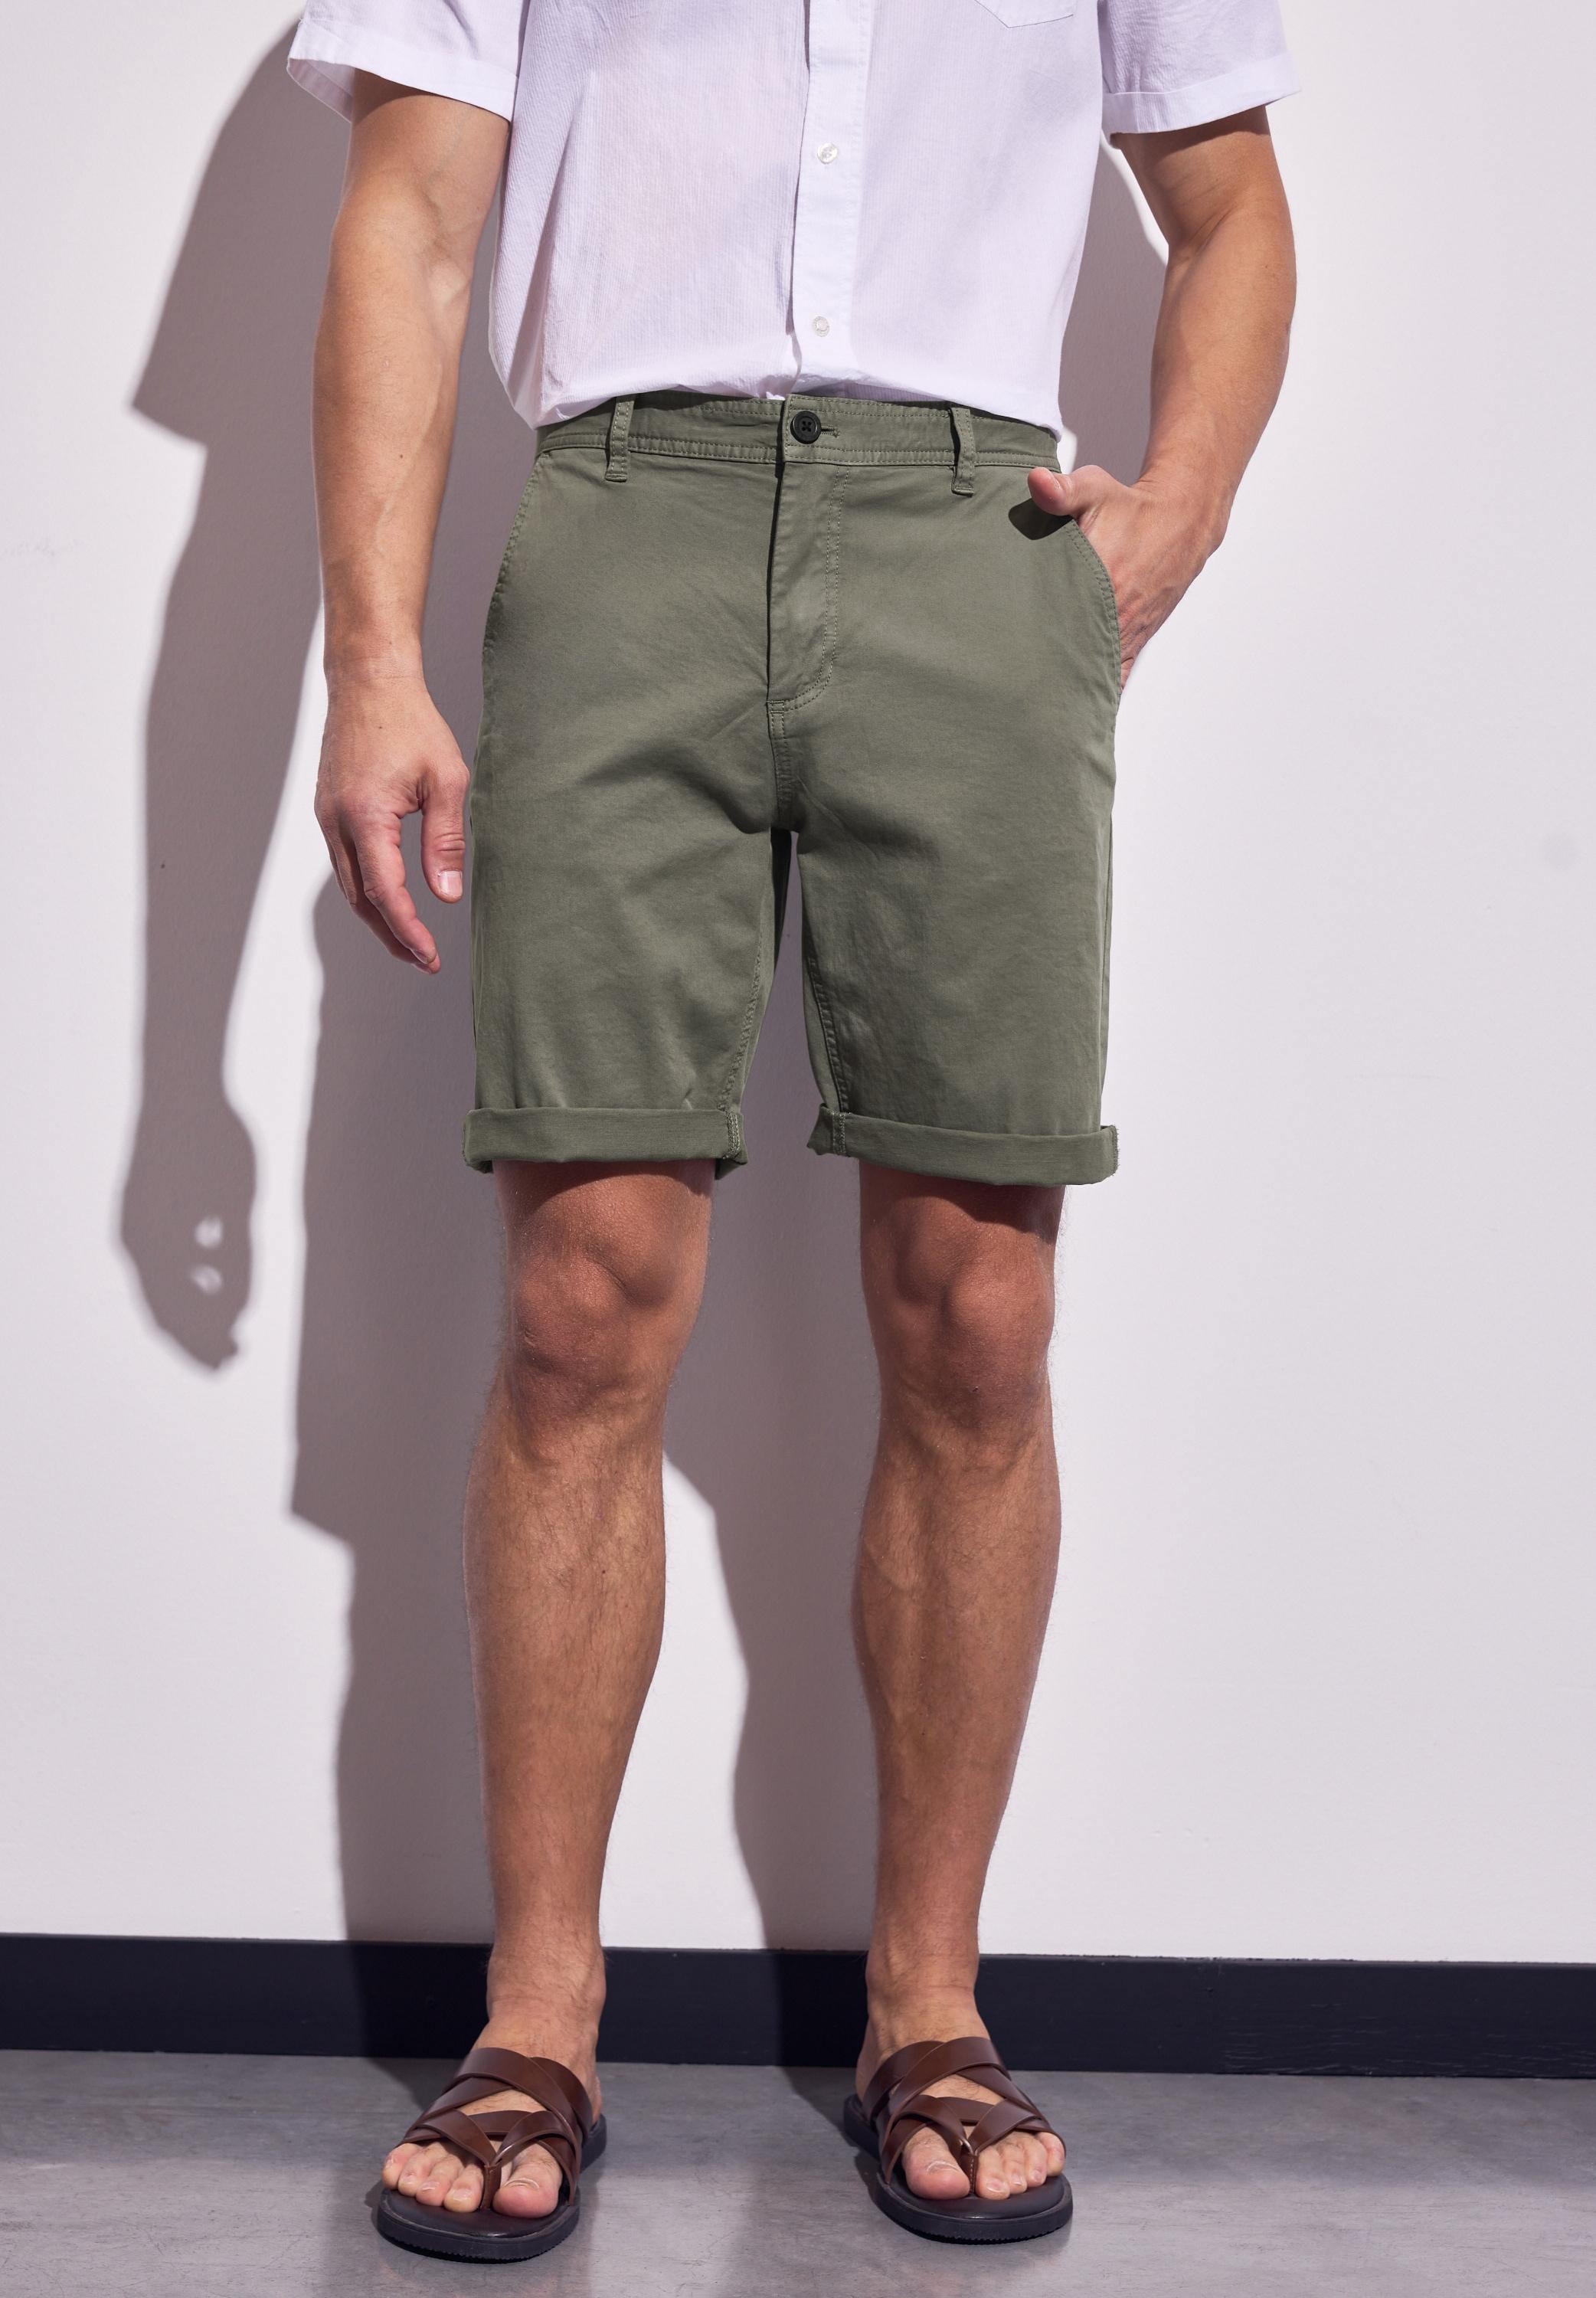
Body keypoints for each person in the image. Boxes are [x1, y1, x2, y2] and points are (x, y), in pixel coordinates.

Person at [288, 0, 1297, 2260]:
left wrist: (1178, 507)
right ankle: (537, 2016)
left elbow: (1229, 204)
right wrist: (371, 662)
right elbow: (411, 217)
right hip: (620, 523)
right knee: (581, 1302)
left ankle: (927, 2004)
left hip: (972, 531)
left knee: (977, 1309)